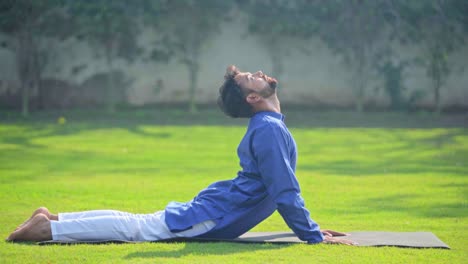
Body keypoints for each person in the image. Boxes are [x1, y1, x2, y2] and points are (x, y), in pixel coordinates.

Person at [7, 65, 356, 245]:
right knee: (140, 229)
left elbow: (280, 189)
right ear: (252, 97)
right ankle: (48, 229)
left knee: (142, 222)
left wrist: (308, 229)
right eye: (252, 77)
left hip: (219, 206)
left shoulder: (269, 126)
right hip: (217, 212)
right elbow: (284, 191)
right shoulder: (268, 129)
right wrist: (310, 235)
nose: (259, 74)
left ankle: (55, 219)